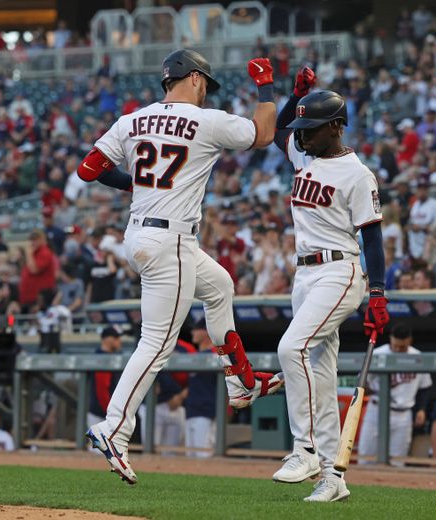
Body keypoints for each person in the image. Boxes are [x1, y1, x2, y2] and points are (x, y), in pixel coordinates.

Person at [77, 49, 281, 485]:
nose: (206, 89)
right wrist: (265, 84)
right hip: (168, 240)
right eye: (205, 81)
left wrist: (134, 182)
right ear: (192, 78)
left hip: (144, 235)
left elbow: (88, 169)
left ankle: (239, 381)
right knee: (156, 343)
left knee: (220, 286)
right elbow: (264, 133)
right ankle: (113, 427)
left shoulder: (133, 119)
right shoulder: (206, 120)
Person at [269, 68, 389, 502]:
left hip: (339, 271)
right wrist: (295, 96)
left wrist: (377, 293)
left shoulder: (358, 174)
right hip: (305, 275)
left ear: (337, 127)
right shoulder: (305, 156)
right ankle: (333, 479)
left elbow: (372, 237)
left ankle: (304, 450)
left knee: (290, 348)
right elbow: (278, 129)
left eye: (312, 129)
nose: (303, 137)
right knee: (320, 374)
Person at [357, 324, 431, 465]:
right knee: (366, 456)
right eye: (395, 345)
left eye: (401, 347)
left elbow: (425, 386)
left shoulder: (417, 357)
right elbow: (361, 383)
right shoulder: (378, 353)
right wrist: (376, 389)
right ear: (391, 339)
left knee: (398, 460)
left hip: (403, 414)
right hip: (377, 410)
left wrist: (421, 408)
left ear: (409, 341)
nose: (397, 349)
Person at [184, 319, 219, 458]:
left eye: (196, 329)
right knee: (190, 458)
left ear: (206, 331)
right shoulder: (194, 356)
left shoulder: (217, 353)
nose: (193, 332)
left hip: (207, 412)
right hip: (191, 411)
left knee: (204, 456)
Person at [88, 326, 125, 426]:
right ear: (107, 339)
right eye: (116, 338)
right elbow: (102, 390)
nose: (119, 341)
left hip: (104, 414)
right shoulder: (102, 358)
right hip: (101, 416)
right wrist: (111, 413)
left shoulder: (107, 357)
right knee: (98, 442)